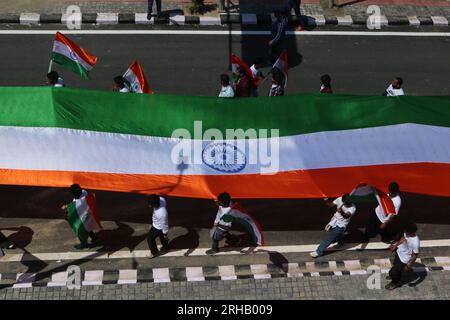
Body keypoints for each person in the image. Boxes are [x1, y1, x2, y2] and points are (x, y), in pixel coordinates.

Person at [61, 184, 100, 250]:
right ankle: (94, 237)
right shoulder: (84, 192)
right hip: (89, 214)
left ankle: (84, 244)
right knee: (87, 226)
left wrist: (66, 208)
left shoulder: (76, 201)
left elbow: (73, 209)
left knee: (79, 228)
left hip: (83, 216)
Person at [385, 222, 420, 290]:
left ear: (411, 232)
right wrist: (396, 245)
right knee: (395, 265)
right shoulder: (407, 233)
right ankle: (395, 276)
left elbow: (414, 256)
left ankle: (395, 282)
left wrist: (408, 266)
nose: (404, 232)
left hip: (404, 259)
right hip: (399, 253)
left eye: (406, 231)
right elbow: (403, 239)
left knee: (392, 272)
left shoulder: (415, 243)